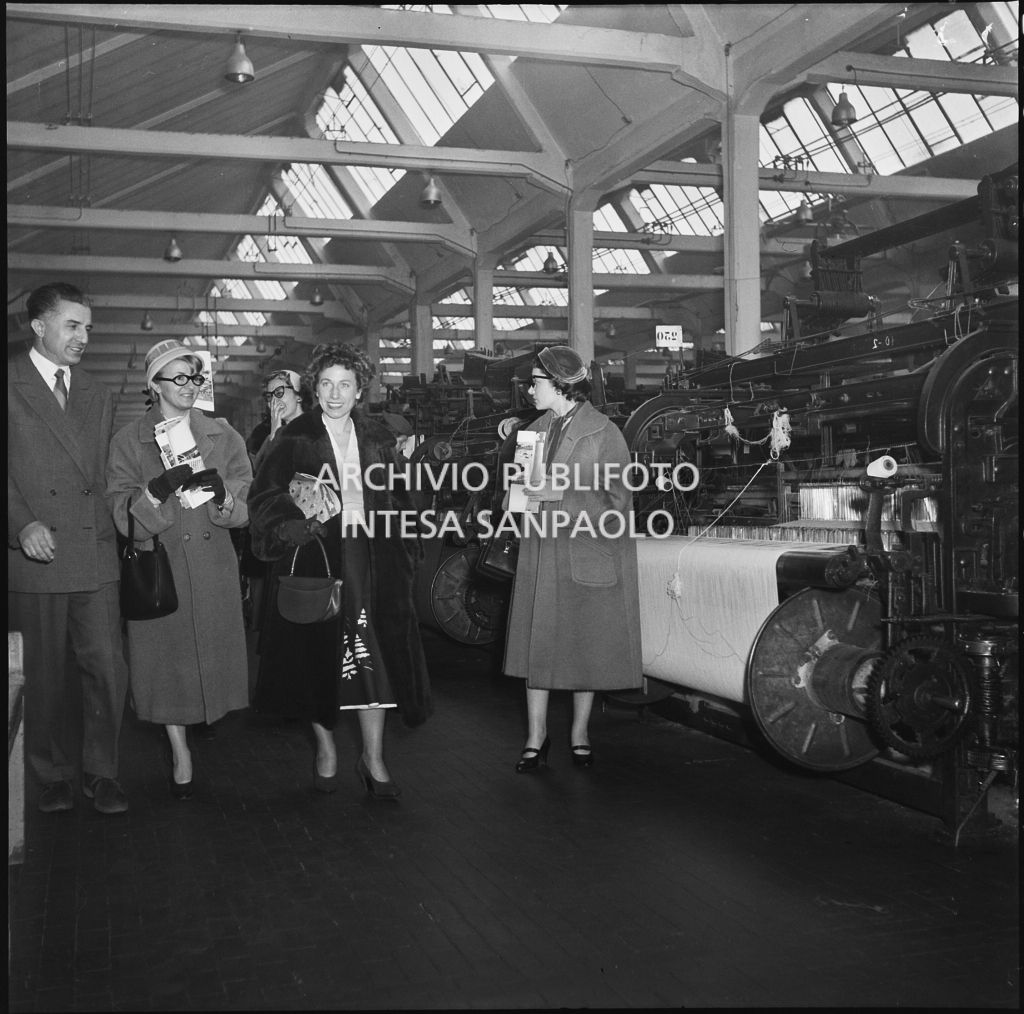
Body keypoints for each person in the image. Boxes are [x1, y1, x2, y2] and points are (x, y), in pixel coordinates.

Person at [248, 343, 431, 798]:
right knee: (316, 657)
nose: (335, 393)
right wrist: (290, 526)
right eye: (326, 383)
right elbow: (263, 499)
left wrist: (407, 548)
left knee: (375, 658)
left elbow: (403, 499)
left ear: (359, 389)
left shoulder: (380, 439)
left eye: (344, 385)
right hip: (315, 559)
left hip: (375, 562)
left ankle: (373, 757)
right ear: (314, 387)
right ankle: (326, 747)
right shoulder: (293, 438)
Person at [106, 339, 252, 799]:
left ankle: (200, 725)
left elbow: (245, 503)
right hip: (161, 567)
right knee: (165, 665)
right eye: (179, 378)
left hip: (212, 569)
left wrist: (224, 497)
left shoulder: (224, 435)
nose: (190, 386)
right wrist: (154, 493)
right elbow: (121, 513)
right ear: (155, 384)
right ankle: (179, 748)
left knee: (207, 660)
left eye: (195, 377)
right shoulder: (128, 441)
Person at [8, 282, 131, 815]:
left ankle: (102, 772)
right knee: (43, 676)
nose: (84, 336)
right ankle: (50, 772)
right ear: (39, 326)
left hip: (94, 552)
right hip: (35, 553)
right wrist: (21, 523)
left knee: (108, 669)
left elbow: (105, 476)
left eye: (88, 327)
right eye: (72, 325)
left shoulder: (97, 395)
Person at [502, 346, 643, 772]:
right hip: (542, 550)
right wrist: (518, 488)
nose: (529, 390)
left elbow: (619, 498)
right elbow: (523, 491)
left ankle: (579, 734)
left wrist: (561, 496)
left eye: (535, 382)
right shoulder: (535, 431)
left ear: (561, 384)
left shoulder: (604, 432)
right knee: (537, 646)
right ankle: (536, 737)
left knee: (586, 646)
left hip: (584, 549)